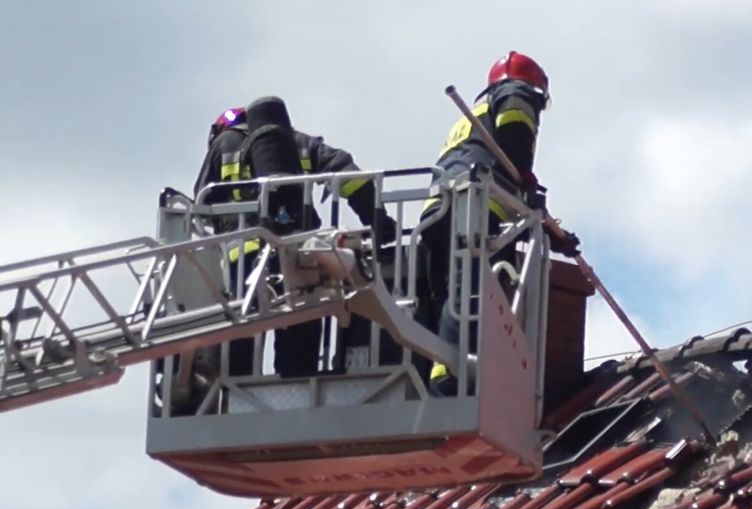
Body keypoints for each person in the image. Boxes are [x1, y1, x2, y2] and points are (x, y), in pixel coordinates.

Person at [194, 96, 397, 377]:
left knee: (242, 328)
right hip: (299, 253)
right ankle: (298, 379)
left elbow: (201, 207)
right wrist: (377, 219)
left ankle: (234, 389)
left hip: (243, 258)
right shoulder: (298, 141)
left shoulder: (222, 145)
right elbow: (348, 174)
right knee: (301, 319)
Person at [420, 51, 576, 396]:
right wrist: (525, 177)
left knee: (449, 292)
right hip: (476, 204)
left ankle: (439, 372)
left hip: (439, 209)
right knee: (472, 288)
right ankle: (453, 376)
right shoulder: (516, 94)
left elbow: (499, 163)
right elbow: (515, 140)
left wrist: (553, 234)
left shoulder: (474, 116)